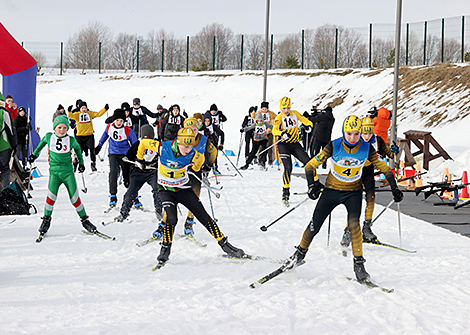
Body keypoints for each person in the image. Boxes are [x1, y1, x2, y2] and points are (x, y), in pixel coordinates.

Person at [282, 115, 403, 282]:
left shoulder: (366, 148)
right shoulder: (334, 145)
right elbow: (310, 165)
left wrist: (394, 188)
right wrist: (312, 185)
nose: (352, 138)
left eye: (356, 133)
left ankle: (359, 265)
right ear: (343, 132)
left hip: (353, 192)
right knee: (314, 226)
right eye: (349, 134)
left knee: (355, 228)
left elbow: (386, 169)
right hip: (331, 191)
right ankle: (299, 255)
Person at [136, 127, 244, 267]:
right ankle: (165, 250)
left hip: (183, 189)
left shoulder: (194, 154)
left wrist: (195, 168)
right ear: (178, 142)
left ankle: (225, 245)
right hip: (166, 190)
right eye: (185, 146)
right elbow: (144, 143)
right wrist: (140, 159)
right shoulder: (163, 147)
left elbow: (201, 160)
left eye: (191, 146)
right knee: (172, 218)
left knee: (203, 215)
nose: (188, 150)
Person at [28, 115, 97, 240]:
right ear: (55, 128)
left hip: (67, 173)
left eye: (65, 128)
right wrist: (33, 155)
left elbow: (78, 150)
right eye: (59, 127)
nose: (62, 130)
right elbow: (40, 146)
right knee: (50, 198)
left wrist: (81, 163)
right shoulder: (49, 137)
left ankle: (85, 220)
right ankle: (46, 220)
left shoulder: (71, 140)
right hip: (54, 173)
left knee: (75, 198)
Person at [340, 117, 399, 245]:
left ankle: (367, 227)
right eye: (364, 133)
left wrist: (394, 151)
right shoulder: (355, 139)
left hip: (368, 171)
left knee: (371, 198)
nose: (366, 137)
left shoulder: (377, 140)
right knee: (354, 201)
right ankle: (348, 229)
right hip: (355, 172)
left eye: (369, 133)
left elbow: (389, 154)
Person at [114, 124, 163, 222]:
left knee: (157, 189)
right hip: (138, 172)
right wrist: (126, 179)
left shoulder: (157, 144)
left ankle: (159, 210)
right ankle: (123, 213)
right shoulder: (136, 145)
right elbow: (126, 163)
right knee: (131, 192)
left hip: (152, 171)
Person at [271, 97, 313, 205]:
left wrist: (308, 126)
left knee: (309, 163)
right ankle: (285, 192)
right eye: (284, 108)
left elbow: (307, 121)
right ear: (281, 108)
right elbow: (274, 130)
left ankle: (313, 185)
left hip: (295, 144)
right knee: (288, 167)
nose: (286, 110)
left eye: (288, 107)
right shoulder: (279, 117)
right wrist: (282, 133)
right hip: (283, 145)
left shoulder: (295, 113)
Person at [95, 108, 138, 207]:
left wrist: (135, 155)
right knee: (113, 173)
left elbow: (135, 144)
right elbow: (104, 137)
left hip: (125, 155)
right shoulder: (109, 127)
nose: (119, 123)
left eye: (121, 121)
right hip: (113, 153)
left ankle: (134, 196)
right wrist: (99, 147)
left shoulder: (128, 130)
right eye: (117, 120)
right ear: (114, 120)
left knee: (128, 175)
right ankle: (113, 196)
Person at [68, 101, 109, 171]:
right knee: (78, 151)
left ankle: (93, 164)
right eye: (82, 108)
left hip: (89, 136)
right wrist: (69, 111)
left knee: (92, 150)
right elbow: (70, 116)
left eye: (85, 108)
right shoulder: (77, 115)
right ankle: (76, 164)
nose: (84, 109)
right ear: (79, 109)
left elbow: (98, 114)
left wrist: (105, 109)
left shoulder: (89, 114)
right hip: (80, 136)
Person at [0, 92, 17, 188]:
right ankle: (4, 191)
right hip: (3, 146)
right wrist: (14, 146)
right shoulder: (4, 112)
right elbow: (10, 131)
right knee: (5, 169)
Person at [255, 101, 278, 165]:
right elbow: (253, 117)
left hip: (269, 132)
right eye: (263, 109)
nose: (264, 110)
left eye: (265, 109)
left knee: (269, 146)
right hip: (261, 132)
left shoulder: (271, 113)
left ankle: (270, 159)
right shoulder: (259, 113)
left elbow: (276, 118)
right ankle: (260, 159)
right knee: (261, 146)